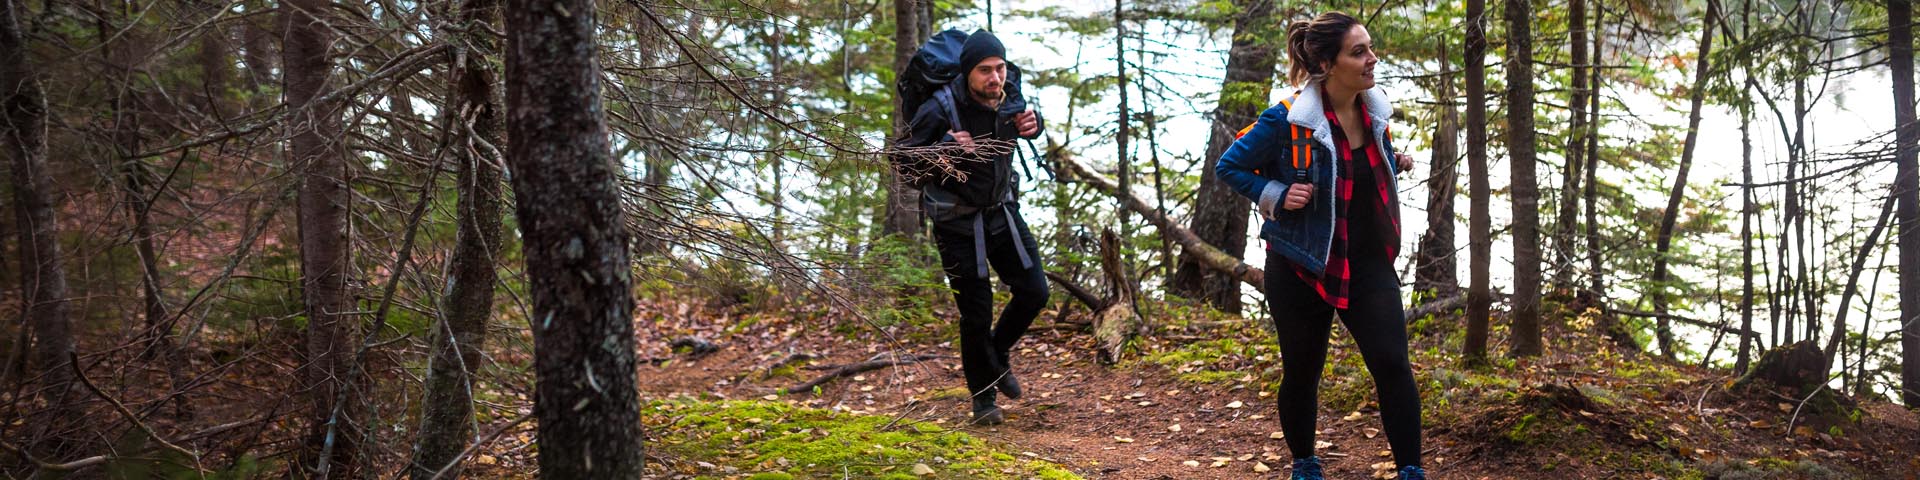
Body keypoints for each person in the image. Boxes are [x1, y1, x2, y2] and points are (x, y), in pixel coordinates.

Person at [1212, 12, 1427, 480]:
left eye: (1370, 48)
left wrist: (1394, 159)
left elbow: (1361, 164)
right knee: (1303, 371)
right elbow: (1228, 166)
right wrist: (1275, 195)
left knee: (1393, 364)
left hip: (1367, 262)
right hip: (1300, 262)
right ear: (1327, 66)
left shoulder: (1375, 113)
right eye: (1359, 52)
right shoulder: (1288, 118)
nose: (1372, 59)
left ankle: (1412, 471)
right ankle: (1305, 464)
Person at [899, 29, 1048, 426]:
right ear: (968, 73)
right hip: (956, 222)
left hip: (1001, 211)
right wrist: (944, 149)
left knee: (1034, 291)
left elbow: (1023, 122)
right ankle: (983, 400)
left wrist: (1036, 124)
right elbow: (901, 158)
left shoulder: (1008, 93)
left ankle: (996, 356)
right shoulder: (938, 107)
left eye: (999, 69)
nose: (995, 78)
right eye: (985, 71)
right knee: (976, 313)